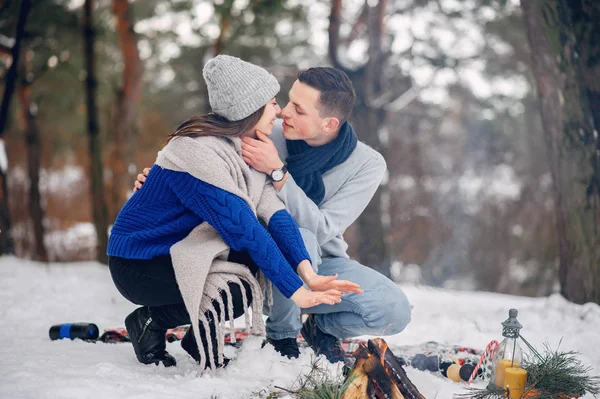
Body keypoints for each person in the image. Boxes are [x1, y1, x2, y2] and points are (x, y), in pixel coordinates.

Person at [135, 66, 412, 364]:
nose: (283, 113)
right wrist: (162, 183)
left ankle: (320, 328)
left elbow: (325, 229)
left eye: (298, 109)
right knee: (298, 236)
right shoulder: (263, 130)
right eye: (288, 100)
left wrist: (279, 174)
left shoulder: (366, 164)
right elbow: (207, 169)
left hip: (321, 261)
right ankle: (282, 338)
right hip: (259, 260)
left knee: (393, 310)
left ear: (329, 123)